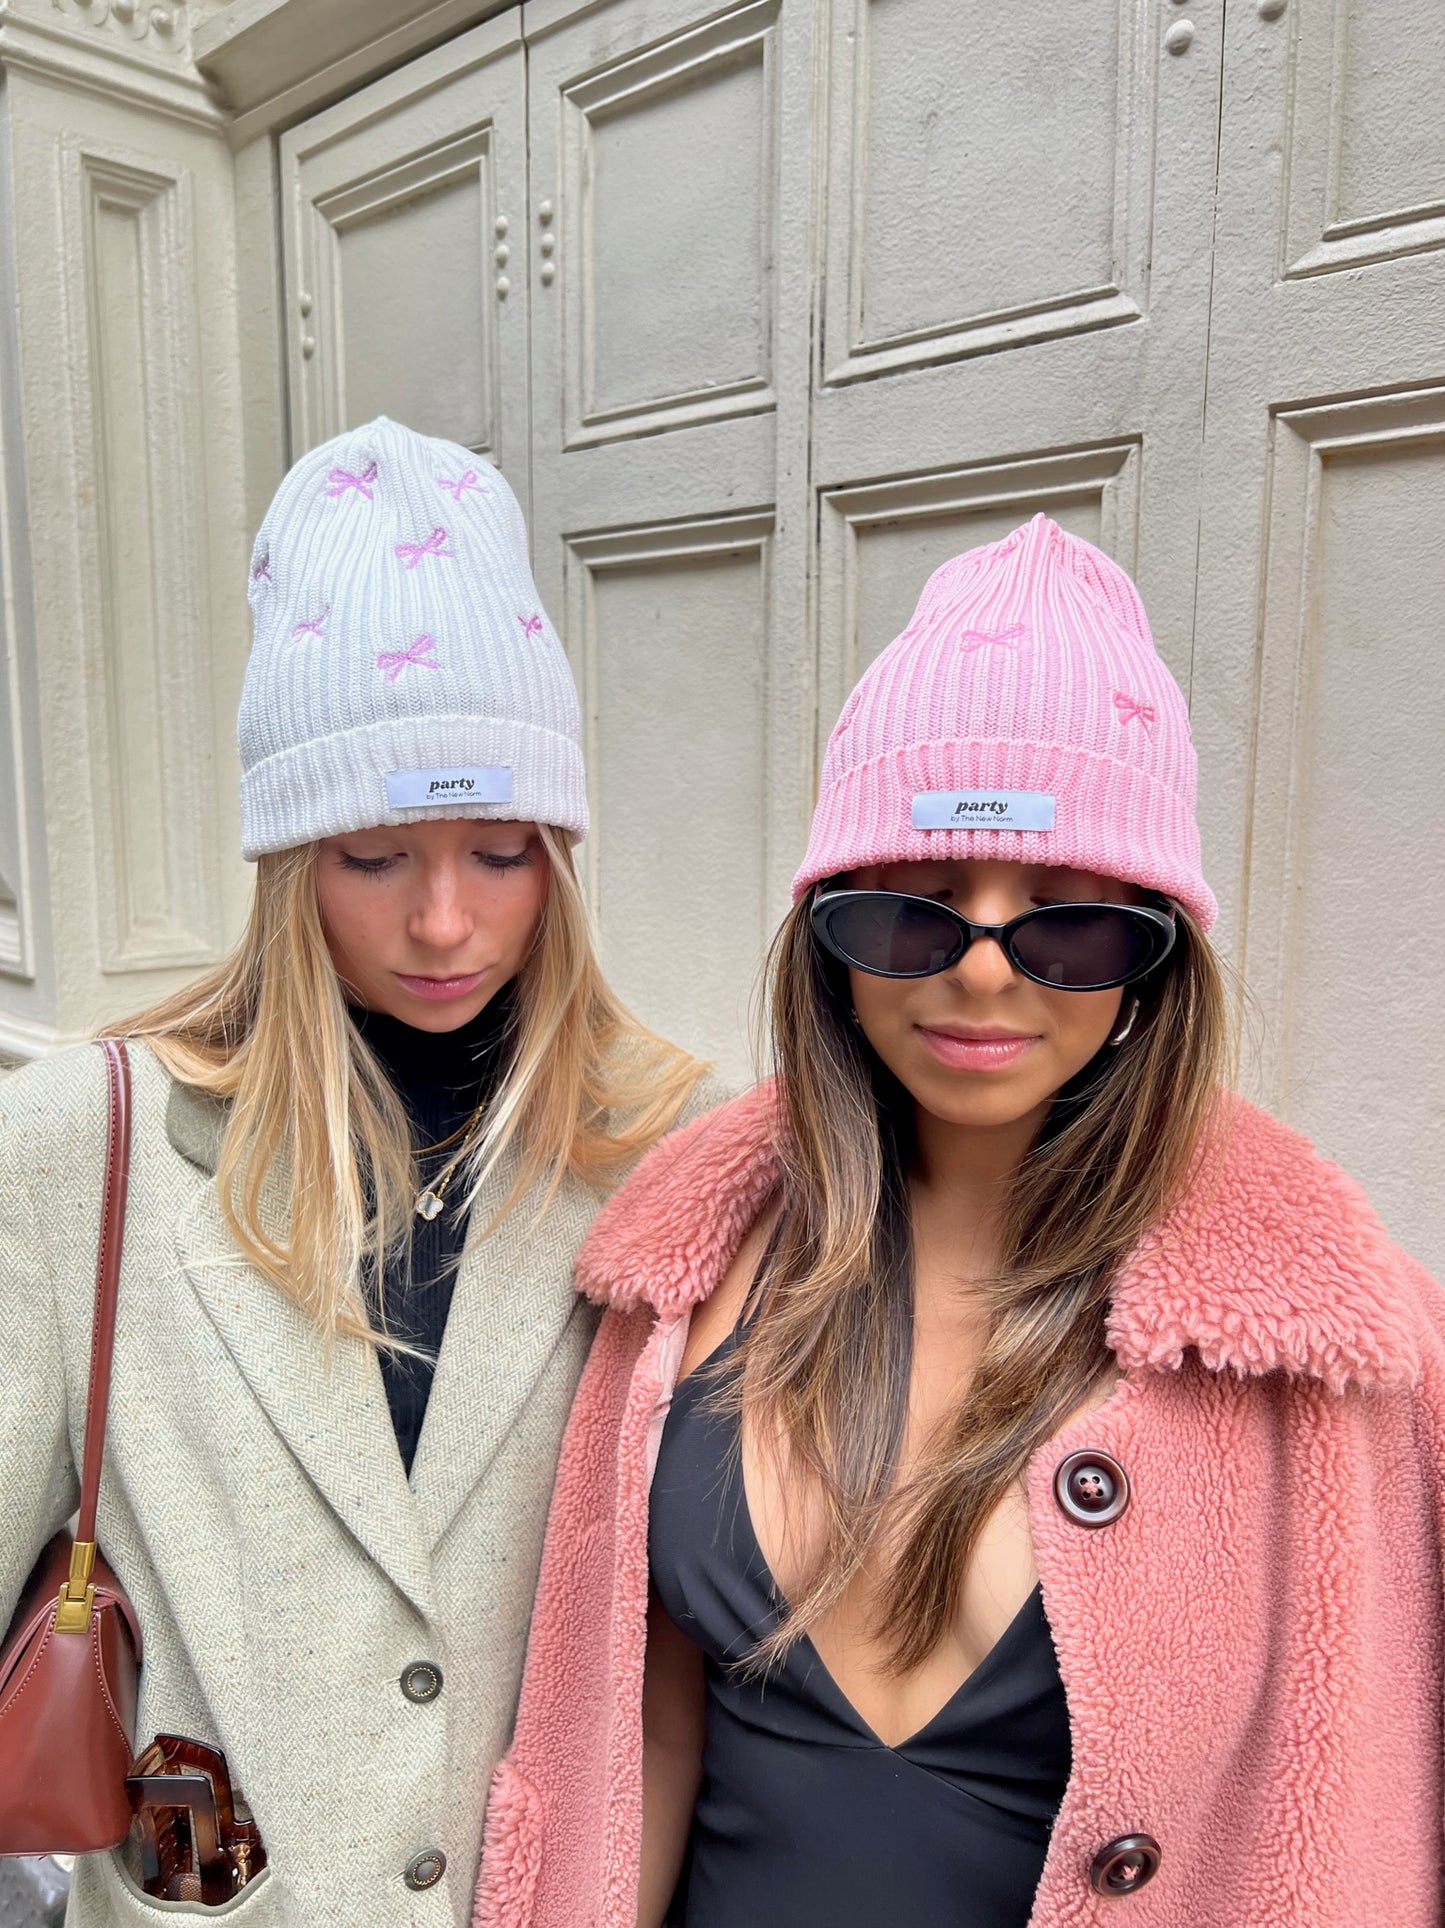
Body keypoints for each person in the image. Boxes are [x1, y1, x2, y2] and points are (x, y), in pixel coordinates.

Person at [474, 513, 1445, 1928]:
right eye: (915, 910)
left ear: (1154, 964)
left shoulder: (1337, 1358)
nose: (983, 973)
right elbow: (639, 1746)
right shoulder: (680, 1276)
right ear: (826, 940)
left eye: (1066, 924)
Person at [0, 417, 718, 1927]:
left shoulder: (673, 1151)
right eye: (376, 858)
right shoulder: (90, 1147)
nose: (446, 923)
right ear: (285, 862)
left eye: (503, 850)